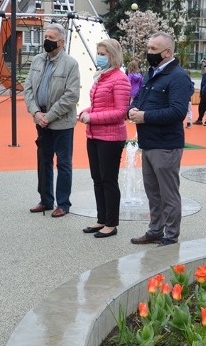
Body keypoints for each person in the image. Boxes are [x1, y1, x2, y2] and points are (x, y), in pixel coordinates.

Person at [128, 31, 194, 247]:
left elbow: (177, 112)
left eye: (153, 50)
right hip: (148, 143)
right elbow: (139, 98)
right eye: (148, 48)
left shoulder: (178, 77)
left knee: (168, 194)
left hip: (166, 145)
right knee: (153, 193)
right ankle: (155, 230)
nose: (149, 53)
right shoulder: (152, 72)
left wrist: (144, 116)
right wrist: (133, 109)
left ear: (167, 52)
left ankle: (171, 235)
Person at [22, 23, 80, 218]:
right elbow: (28, 88)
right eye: (45, 36)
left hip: (61, 122)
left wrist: (49, 115)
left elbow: (71, 96)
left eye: (51, 38)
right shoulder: (37, 60)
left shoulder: (71, 64)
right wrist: (35, 112)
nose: (46, 41)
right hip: (41, 119)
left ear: (61, 42)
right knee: (43, 161)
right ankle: (46, 200)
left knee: (63, 163)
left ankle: (63, 203)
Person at [78, 38, 131, 239]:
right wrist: (86, 111)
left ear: (113, 56)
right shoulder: (102, 77)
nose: (99, 57)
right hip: (94, 135)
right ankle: (101, 219)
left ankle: (111, 223)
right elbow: (99, 106)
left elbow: (120, 112)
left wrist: (92, 117)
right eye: (98, 53)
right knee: (97, 179)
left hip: (111, 138)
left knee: (108, 180)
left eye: (103, 54)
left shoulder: (120, 79)